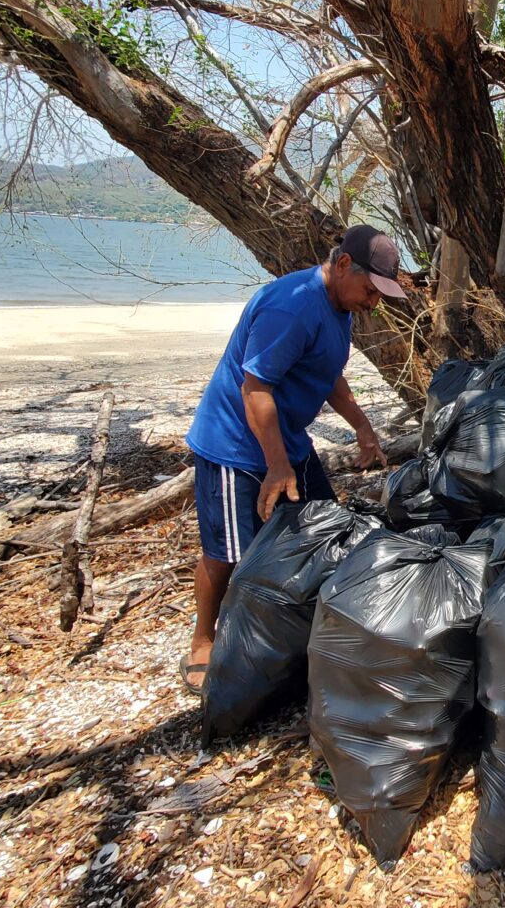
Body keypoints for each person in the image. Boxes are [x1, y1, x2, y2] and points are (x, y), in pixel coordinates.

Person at [178, 224, 406, 694]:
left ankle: (298, 634)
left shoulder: (339, 305)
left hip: (288, 440)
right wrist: (276, 467)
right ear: (344, 264)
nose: (373, 303)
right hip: (236, 445)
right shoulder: (292, 306)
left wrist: (363, 428)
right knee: (229, 557)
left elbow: (329, 375)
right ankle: (204, 639)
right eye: (370, 290)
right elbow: (255, 388)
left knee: (326, 533)